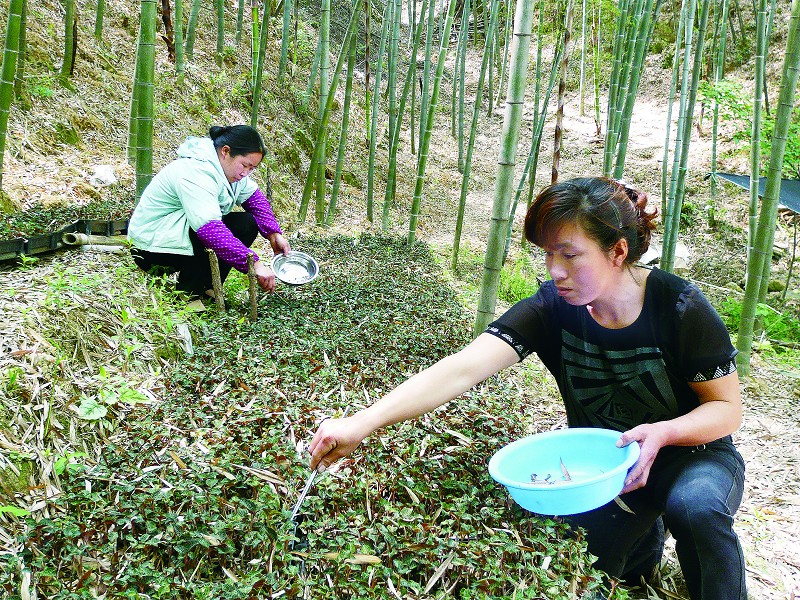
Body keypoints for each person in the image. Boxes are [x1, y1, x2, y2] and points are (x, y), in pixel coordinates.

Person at [309, 177, 746, 600]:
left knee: (696, 509)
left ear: (617, 251)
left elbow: (726, 409)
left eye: (570, 255)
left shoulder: (679, 307)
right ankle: (644, 539)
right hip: (604, 467)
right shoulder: (552, 307)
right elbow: (463, 369)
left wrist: (663, 432)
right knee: (591, 570)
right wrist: (362, 422)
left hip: (691, 454)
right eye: (548, 254)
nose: (556, 271)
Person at [128, 125, 291, 297]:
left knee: (246, 224)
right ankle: (189, 293)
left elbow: (255, 199)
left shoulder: (230, 171)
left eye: (251, 169)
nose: (245, 173)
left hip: (173, 237)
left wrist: (274, 234)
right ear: (225, 151)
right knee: (208, 232)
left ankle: (206, 286)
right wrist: (254, 264)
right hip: (150, 249)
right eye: (245, 165)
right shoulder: (196, 170)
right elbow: (209, 231)